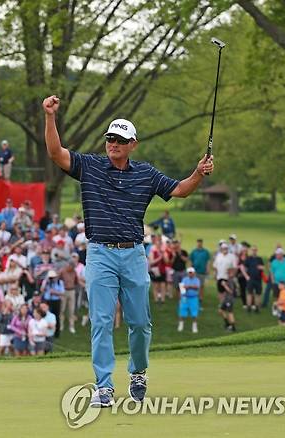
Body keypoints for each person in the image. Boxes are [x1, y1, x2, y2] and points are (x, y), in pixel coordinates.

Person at [43, 94, 214, 407]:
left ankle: (138, 371)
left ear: (133, 143)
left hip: (133, 254)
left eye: (120, 140)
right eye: (110, 138)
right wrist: (50, 117)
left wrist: (198, 174)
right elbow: (55, 153)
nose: (113, 144)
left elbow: (180, 190)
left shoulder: (146, 174)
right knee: (101, 321)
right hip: (99, 253)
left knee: (139, 322)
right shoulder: (90, 167)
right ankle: (104, 387)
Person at [178, 267, 200, 333]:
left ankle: (194, 326)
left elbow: (197, 287)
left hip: (193, 298)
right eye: (189, 273)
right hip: (185, 297)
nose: (191, 274)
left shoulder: (197, 280)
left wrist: (189, 286)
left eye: (192, 273)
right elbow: (182, 288)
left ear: (194, 273)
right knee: (182, 311)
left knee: (194, 313)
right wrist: (190, 286)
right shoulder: (184, 279)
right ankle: (181, 325)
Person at [189, 239, 210, 304]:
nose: (199, 244)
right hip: (195, 271)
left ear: (202, 243)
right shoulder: (194, 251)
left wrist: (207, 269)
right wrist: (190, 270)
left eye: (200, 243)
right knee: (194, 285)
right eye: (198, 243)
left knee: (201, 285)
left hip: (202, 271)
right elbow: (191, 261)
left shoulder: (205, 252)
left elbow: (208, 261)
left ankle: (200, 298)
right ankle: (194, 297)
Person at [244, 245, 264, 313]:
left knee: (258, 294)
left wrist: (261, 268)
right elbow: (245, 268)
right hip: (250, 279)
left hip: (258, 279)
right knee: (249, 293)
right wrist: (246, 276)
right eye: (253, 250)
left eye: (255, 250)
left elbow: (263, 267)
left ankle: (257, 307)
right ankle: (249, 307)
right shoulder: (248, 259)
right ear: (251, 251)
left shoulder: (259, 259)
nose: (254, 251)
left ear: (257, 251)